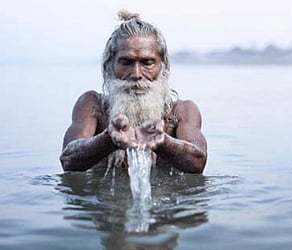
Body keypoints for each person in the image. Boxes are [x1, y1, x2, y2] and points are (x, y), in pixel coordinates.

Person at [60, 11, 207, 173]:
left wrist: (163, 142)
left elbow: (198, 161)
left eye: (147, 62)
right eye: (126, 62)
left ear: (162, 66)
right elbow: (68, 159)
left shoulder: (182, 111)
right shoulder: (92, 105)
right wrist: (108, 139)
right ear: (110, 66)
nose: (136, 74)